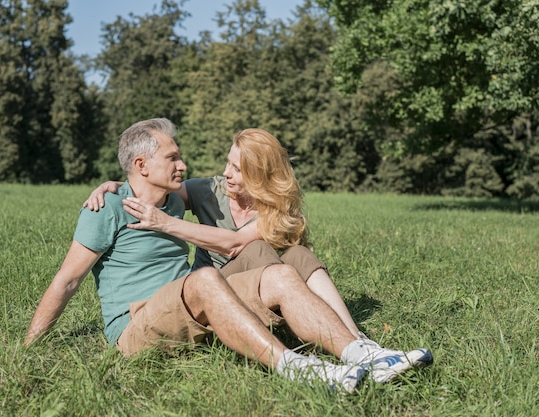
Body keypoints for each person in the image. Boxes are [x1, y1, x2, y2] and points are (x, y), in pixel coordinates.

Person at [26, 117, 394, 394]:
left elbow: (230, 240)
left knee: (281, 274)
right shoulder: (106, 207)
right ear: (142, 166)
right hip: (135, 326)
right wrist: (28, 348)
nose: (182, 165)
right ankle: (297, 367)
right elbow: (68, 279)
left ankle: (361, 354)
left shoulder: (171, 201)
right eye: (173, 158)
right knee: (203, 279)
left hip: (188, 308)